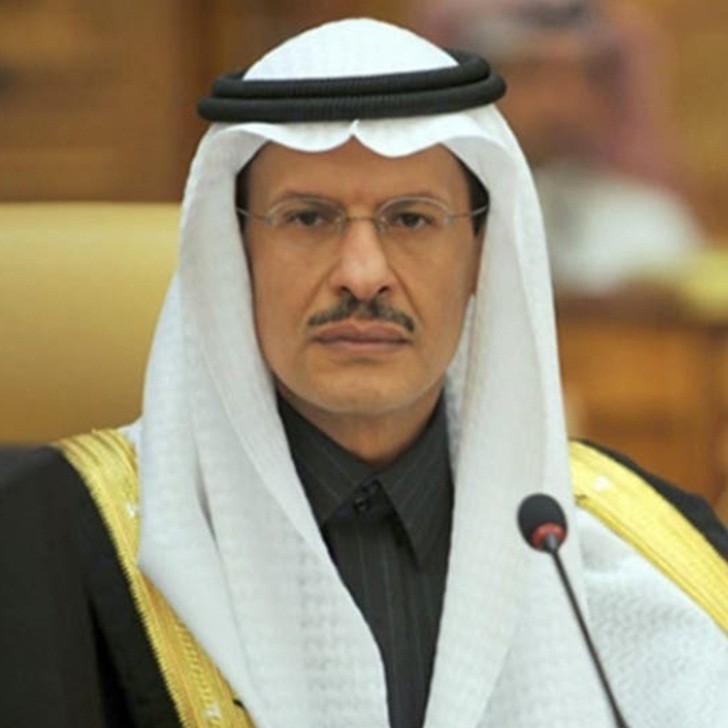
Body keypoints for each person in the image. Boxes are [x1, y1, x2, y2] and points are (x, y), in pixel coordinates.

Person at [0, 17, 726, 728]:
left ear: (481, 256)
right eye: (307, 219)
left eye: (411, 219)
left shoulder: (626, 550)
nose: (362, 274)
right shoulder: (43, 545)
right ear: (234, 254)